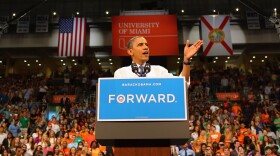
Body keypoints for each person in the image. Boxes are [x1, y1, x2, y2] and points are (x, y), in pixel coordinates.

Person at [114, 36, 203, 80]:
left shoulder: (160, 71)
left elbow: (182, 84)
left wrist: (186, 60)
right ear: (130, 51)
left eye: (147, 45)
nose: (146, 47)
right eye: (140, 45)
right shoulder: (121, 73)